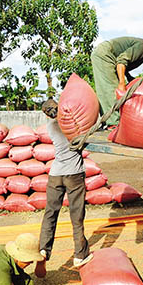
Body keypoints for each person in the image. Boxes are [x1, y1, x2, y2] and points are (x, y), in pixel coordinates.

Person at [36, 98, 92, 275]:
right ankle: (79, 255)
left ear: (46, 114)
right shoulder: (72, 125)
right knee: (77, 215)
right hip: (74, 174)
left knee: (50, 212)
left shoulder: (50, 127)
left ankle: (44, 249)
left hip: (55, 174)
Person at [90, 24, 143, 125]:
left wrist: (130, 78)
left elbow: (124, 64)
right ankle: (113, 124)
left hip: (106, 54)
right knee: (110, 89)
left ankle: (110, 121)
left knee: (107, 89)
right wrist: (122, 83)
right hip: (105, 54)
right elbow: (121, 62)